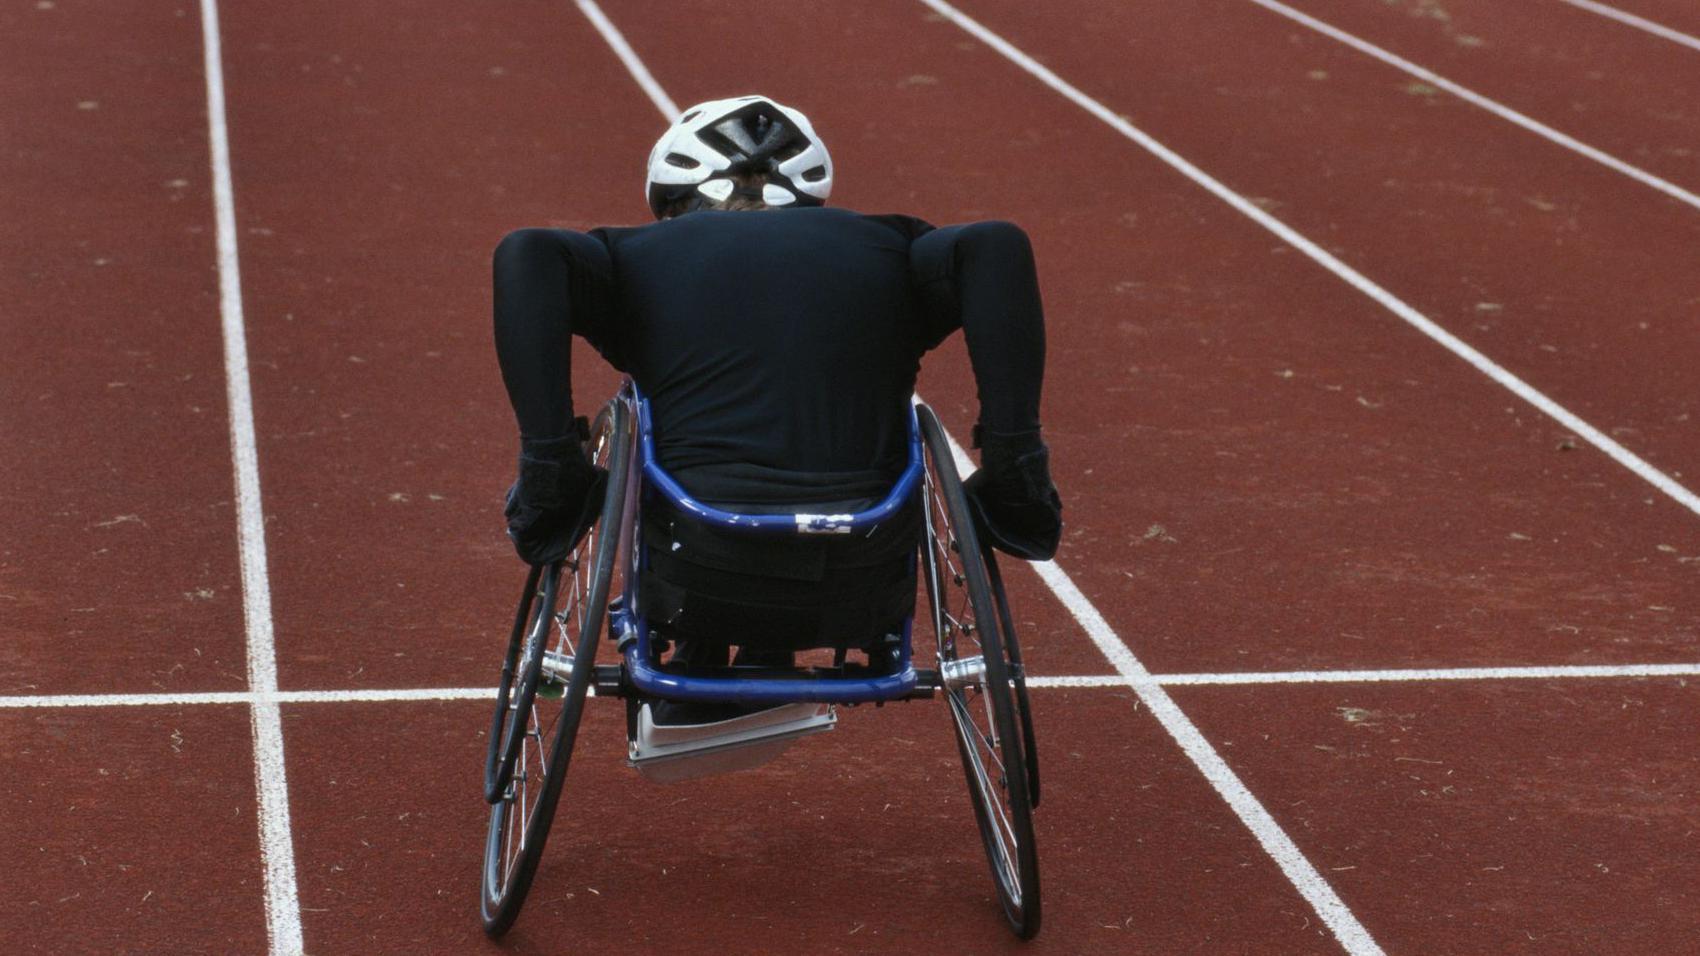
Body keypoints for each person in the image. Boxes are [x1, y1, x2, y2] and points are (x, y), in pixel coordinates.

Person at [492, 95, 1062, 707]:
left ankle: (554, 478)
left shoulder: (630, 258)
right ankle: (1018, 476)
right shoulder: (892, 245)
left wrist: (553, 463)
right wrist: (1012, 458)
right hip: (863, 576)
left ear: (673, 201)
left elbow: (526, 252)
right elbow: (995, 246)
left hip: (698, 568)